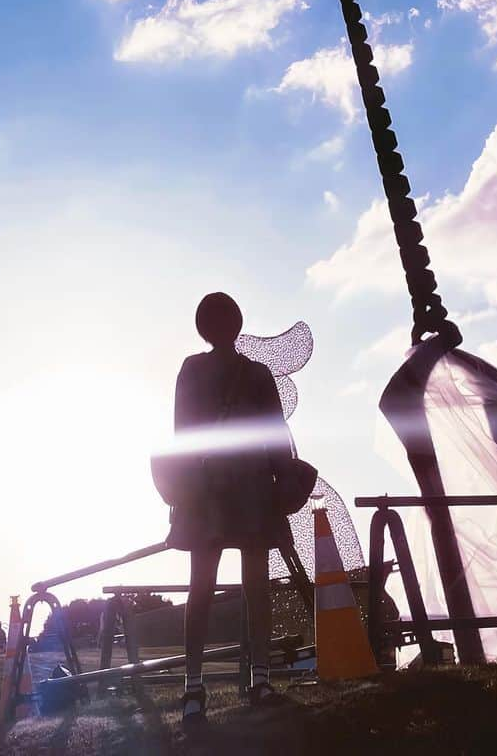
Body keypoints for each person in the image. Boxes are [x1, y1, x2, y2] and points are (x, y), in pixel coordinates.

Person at [168, 292, 294, 727]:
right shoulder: (256, 374)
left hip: (207, 489)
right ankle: (258, 679)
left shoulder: (192, 370)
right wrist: (285, 488)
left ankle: (194, 688)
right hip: (251, 488)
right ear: (236, 325)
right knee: (253, 584)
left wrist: (183, 491)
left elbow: (181, 435)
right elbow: (277, 437)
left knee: (202, 586)